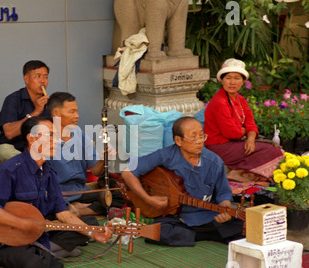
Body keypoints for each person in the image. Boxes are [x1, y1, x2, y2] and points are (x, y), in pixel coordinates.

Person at [0, 117, 113, 268]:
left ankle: (44, 251)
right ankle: (45, 253)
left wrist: (93, 233)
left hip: (39, 233)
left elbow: (63, 213)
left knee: (90, 223)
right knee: (36, 266)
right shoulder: (10, 170)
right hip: (8, 241)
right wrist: (21, 223)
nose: (55, 141)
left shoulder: (48, 172)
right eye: (49, 136)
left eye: (55, 136)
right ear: (32, 138)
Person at [121, 117, 243, 246]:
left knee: (239, 226)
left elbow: (223, 195)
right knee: (159, 231)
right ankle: (204, 235)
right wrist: (148, 199)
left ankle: (193, 236)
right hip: (175, 217)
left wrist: (225, 210)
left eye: (202, 136)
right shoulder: (165, 155)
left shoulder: (215, 162)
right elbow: (127, 172)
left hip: (207, 215)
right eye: (193, 137)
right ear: (178, 140)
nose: (199, 141)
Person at [204, 58, 284, 182]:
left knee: (270, 148)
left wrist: (250, 139)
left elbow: (251, 124)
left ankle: (238, 172)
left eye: (237, 78)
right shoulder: (220, 102)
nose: (232, 82)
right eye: (228, 78)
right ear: (222, 80)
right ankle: (237, 173)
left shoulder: (240, 100)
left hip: (235, 143)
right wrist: (245, 131)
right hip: (219, 146)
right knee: (272, 151)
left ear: (243, 82)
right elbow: (231, 133)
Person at [47, 92, 125, 217]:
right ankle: (76, 209)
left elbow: (95, 171)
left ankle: (80, 210)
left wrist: (103, 159)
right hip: (60, 194)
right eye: (71, 112)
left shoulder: (79, 133)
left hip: (81, 190)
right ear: (56, 113)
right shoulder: (45, 139)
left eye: (77, 111)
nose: (76, 116)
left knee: (120, 196)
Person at [0, 60, 51, 165]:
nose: (43, 81)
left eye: (45, 77)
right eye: (38, 76)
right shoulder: (13, 99)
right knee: (3, 151)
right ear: (26, 79)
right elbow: (9, 133)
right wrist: (35, 112)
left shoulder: (51, 104)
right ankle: (31, 166)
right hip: (15, 150)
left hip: (41, 151)